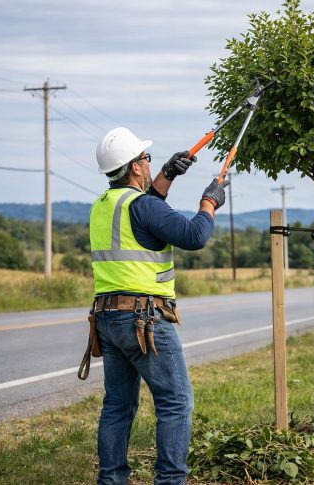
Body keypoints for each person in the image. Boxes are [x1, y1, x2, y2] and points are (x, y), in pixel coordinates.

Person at [87, 127, 228, 485]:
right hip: (144, 320)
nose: (148, 163)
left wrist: (167, 174)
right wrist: (209, 202)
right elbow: (194, 236)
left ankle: (112, 480)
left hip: (107, 317)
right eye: (146, 159)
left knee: (117, 406)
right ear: (135, 168)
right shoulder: (143, 205)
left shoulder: (103, 207)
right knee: (176, 403)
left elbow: (144, 212)